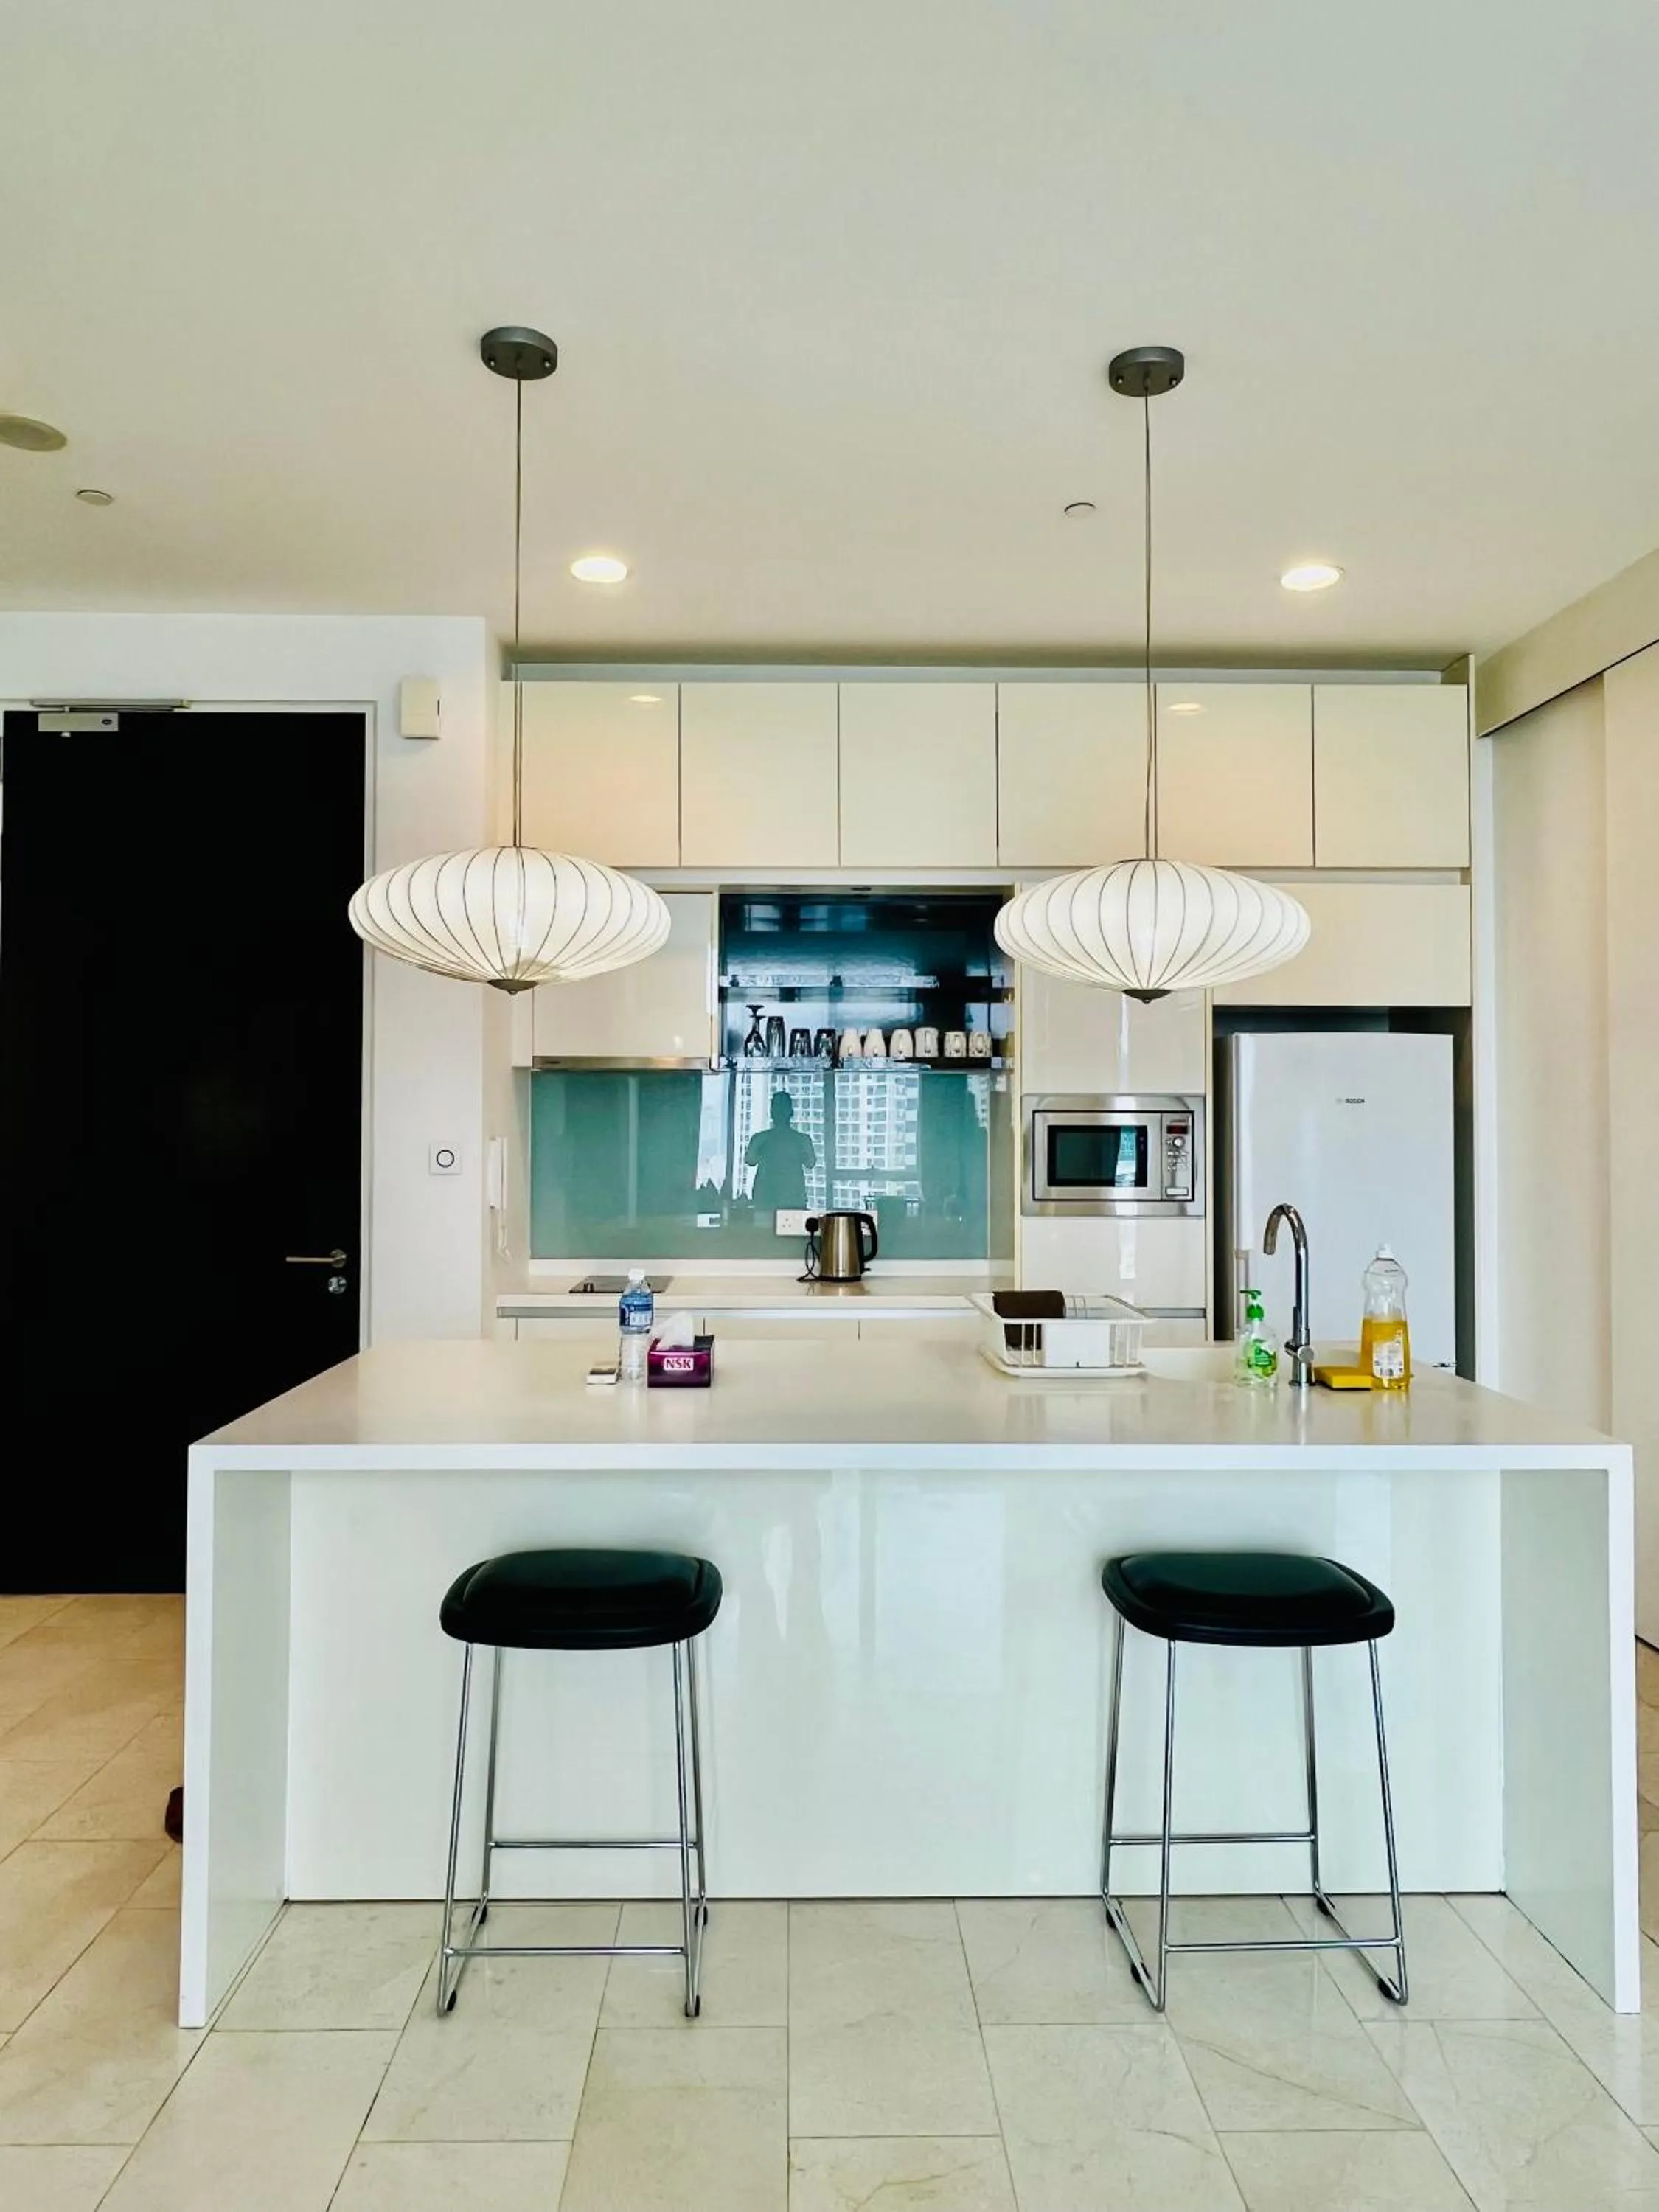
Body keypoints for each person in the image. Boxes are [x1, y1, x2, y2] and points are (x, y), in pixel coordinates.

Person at [745, 1091, 815, 1213]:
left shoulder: (761, 1138)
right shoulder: (800, 1139)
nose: (780, 1113)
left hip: (789, 1201)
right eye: (777, 1109)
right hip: (769, 1201)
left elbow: (810, 1163)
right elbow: (750, 1160)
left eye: (782, 1109)